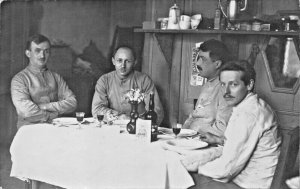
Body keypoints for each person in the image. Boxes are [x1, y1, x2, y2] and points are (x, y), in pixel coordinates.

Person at [183, 60, 281, 189]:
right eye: (223, 85)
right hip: (256, 179)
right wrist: (218, 139)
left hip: (250, 185)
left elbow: (225, 171)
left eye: (233, 84)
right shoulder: (252, 104)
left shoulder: (248, 113)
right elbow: (245, 142)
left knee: (184, 178)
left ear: (249, 84)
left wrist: (194, 168)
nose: (226, 91)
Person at [11, 34, 77, 128]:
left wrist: (45, 106)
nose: (42, 56)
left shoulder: (56, 77)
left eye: (46, 51)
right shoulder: (19, 79)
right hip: (30, 130)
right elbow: (27, 111)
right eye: (37, 51)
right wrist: (51, 115)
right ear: (28, 53)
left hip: (55, 129)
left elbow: (72, 103)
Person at [91, 46, 164, 125]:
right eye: (119, 60)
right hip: (113, 126)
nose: (123, 65)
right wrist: (119, 117)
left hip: (139, 127)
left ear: (134, 62)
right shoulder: (104, 80)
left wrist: (139, 124)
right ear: (113, 61)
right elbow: (97, 109)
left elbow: (156, 111)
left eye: (128, 61)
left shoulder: (144, 80)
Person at [183, 39, 232, 136]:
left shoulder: (225, 89)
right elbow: (195, 115)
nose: (198, 63)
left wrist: (195, 132)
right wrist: (182, 132)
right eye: (198, 58)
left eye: (203, 59)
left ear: (217, 64)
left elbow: (222, 129)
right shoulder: (207, 85)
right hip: (191, 137)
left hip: (209, 143)